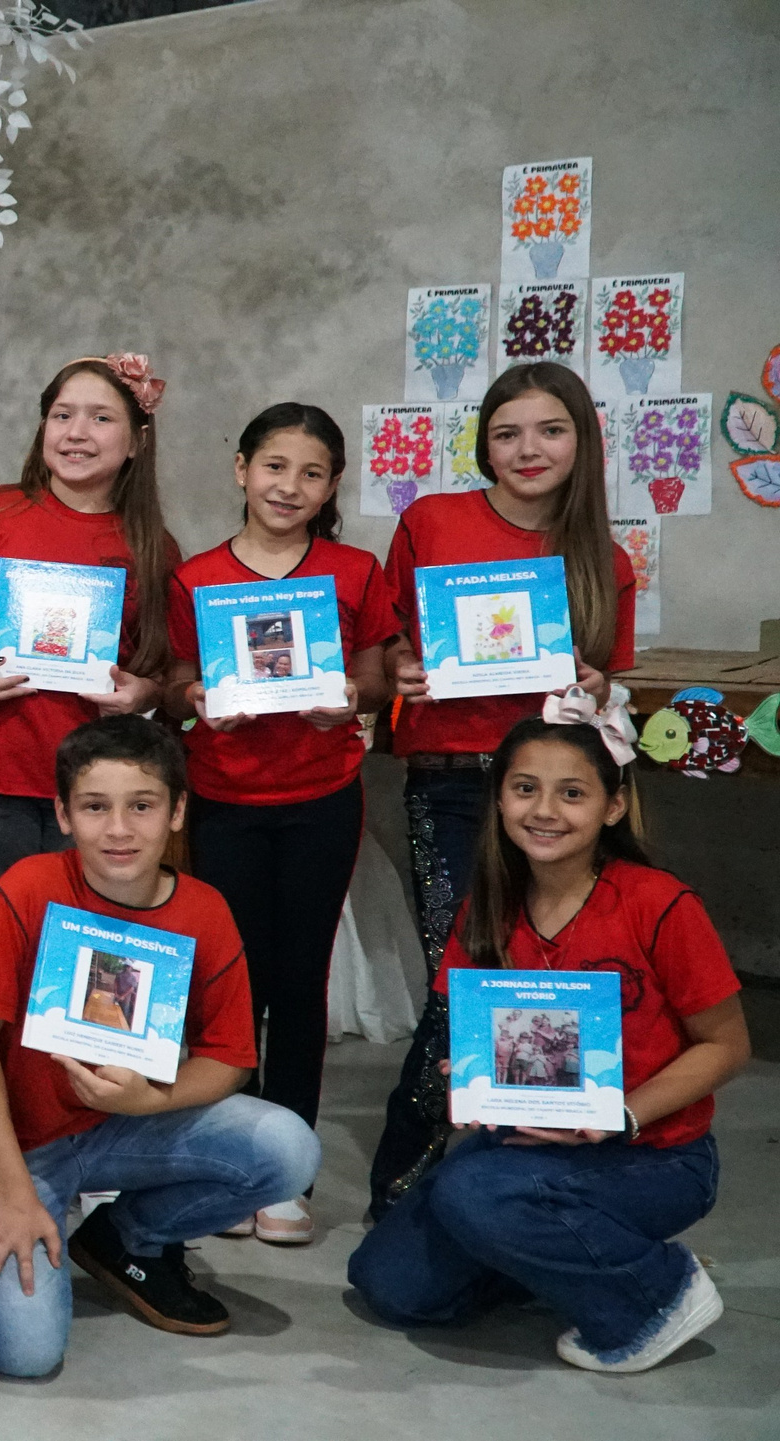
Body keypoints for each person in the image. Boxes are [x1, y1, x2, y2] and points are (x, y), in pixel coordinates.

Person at [348, 718, 749, 1374]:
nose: (543, 810)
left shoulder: (660, 904)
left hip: (656, 1155)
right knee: (386, 1281)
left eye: (572, 793)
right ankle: (572, 1263)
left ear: (612, 805)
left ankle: (656, 1294)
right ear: (499, 799)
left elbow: (727, 1045)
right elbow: (480, 1040)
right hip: (526, 1143)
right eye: (525, 788)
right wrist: (469, 1074)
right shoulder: (487, 908)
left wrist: (617, 1115)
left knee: (470, 1192)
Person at [0, 715, 319, 1377]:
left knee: (288, 1148)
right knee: (25, 1354)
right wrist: (10, 1188)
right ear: (62, 813)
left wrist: (150, 1098)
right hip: (17, 1147)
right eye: (95, 806)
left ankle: (127, 1237)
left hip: (125, 1128)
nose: (119, 829)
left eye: (141, 805)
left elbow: (230, 1056)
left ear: (176, 811)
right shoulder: (29, 886)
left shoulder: (205, 909)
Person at [367, 361, 637, 1216]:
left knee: (552, 977)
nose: (528, 449)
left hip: (556, 794)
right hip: (449, 779)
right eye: (507, 432)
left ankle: (531, 1169)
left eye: (550, 430)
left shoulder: (606, 556)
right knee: (460, 977)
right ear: (482, 444)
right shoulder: (433, 520)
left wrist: (593, 686)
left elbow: (609, 685)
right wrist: (402, 666)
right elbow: (388, 645)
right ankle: (404, 1178)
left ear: (581, 440)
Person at [162, 403, 395, 1245]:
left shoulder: (355, 570)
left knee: (299, 984)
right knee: (229, 984)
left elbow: (373, 677)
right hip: (222, 798)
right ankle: (232, 1160)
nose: (288, 486)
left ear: (333, 484)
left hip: (320, 801)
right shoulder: (194, 578)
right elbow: (178, 680)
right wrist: (196, 701)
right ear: (240, 469)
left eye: (310, 472)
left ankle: (286, 1168)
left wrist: (352, 701)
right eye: (273, 466)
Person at [0, 354, 178, 915]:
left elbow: (162, 670)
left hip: (98, 784)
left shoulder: (152, 546)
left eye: (101, 419)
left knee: (81, 946)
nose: (77, 433)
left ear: (136, 440)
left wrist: (143, 695)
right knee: (5, 934)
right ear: (43, 429)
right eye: (62, 415)